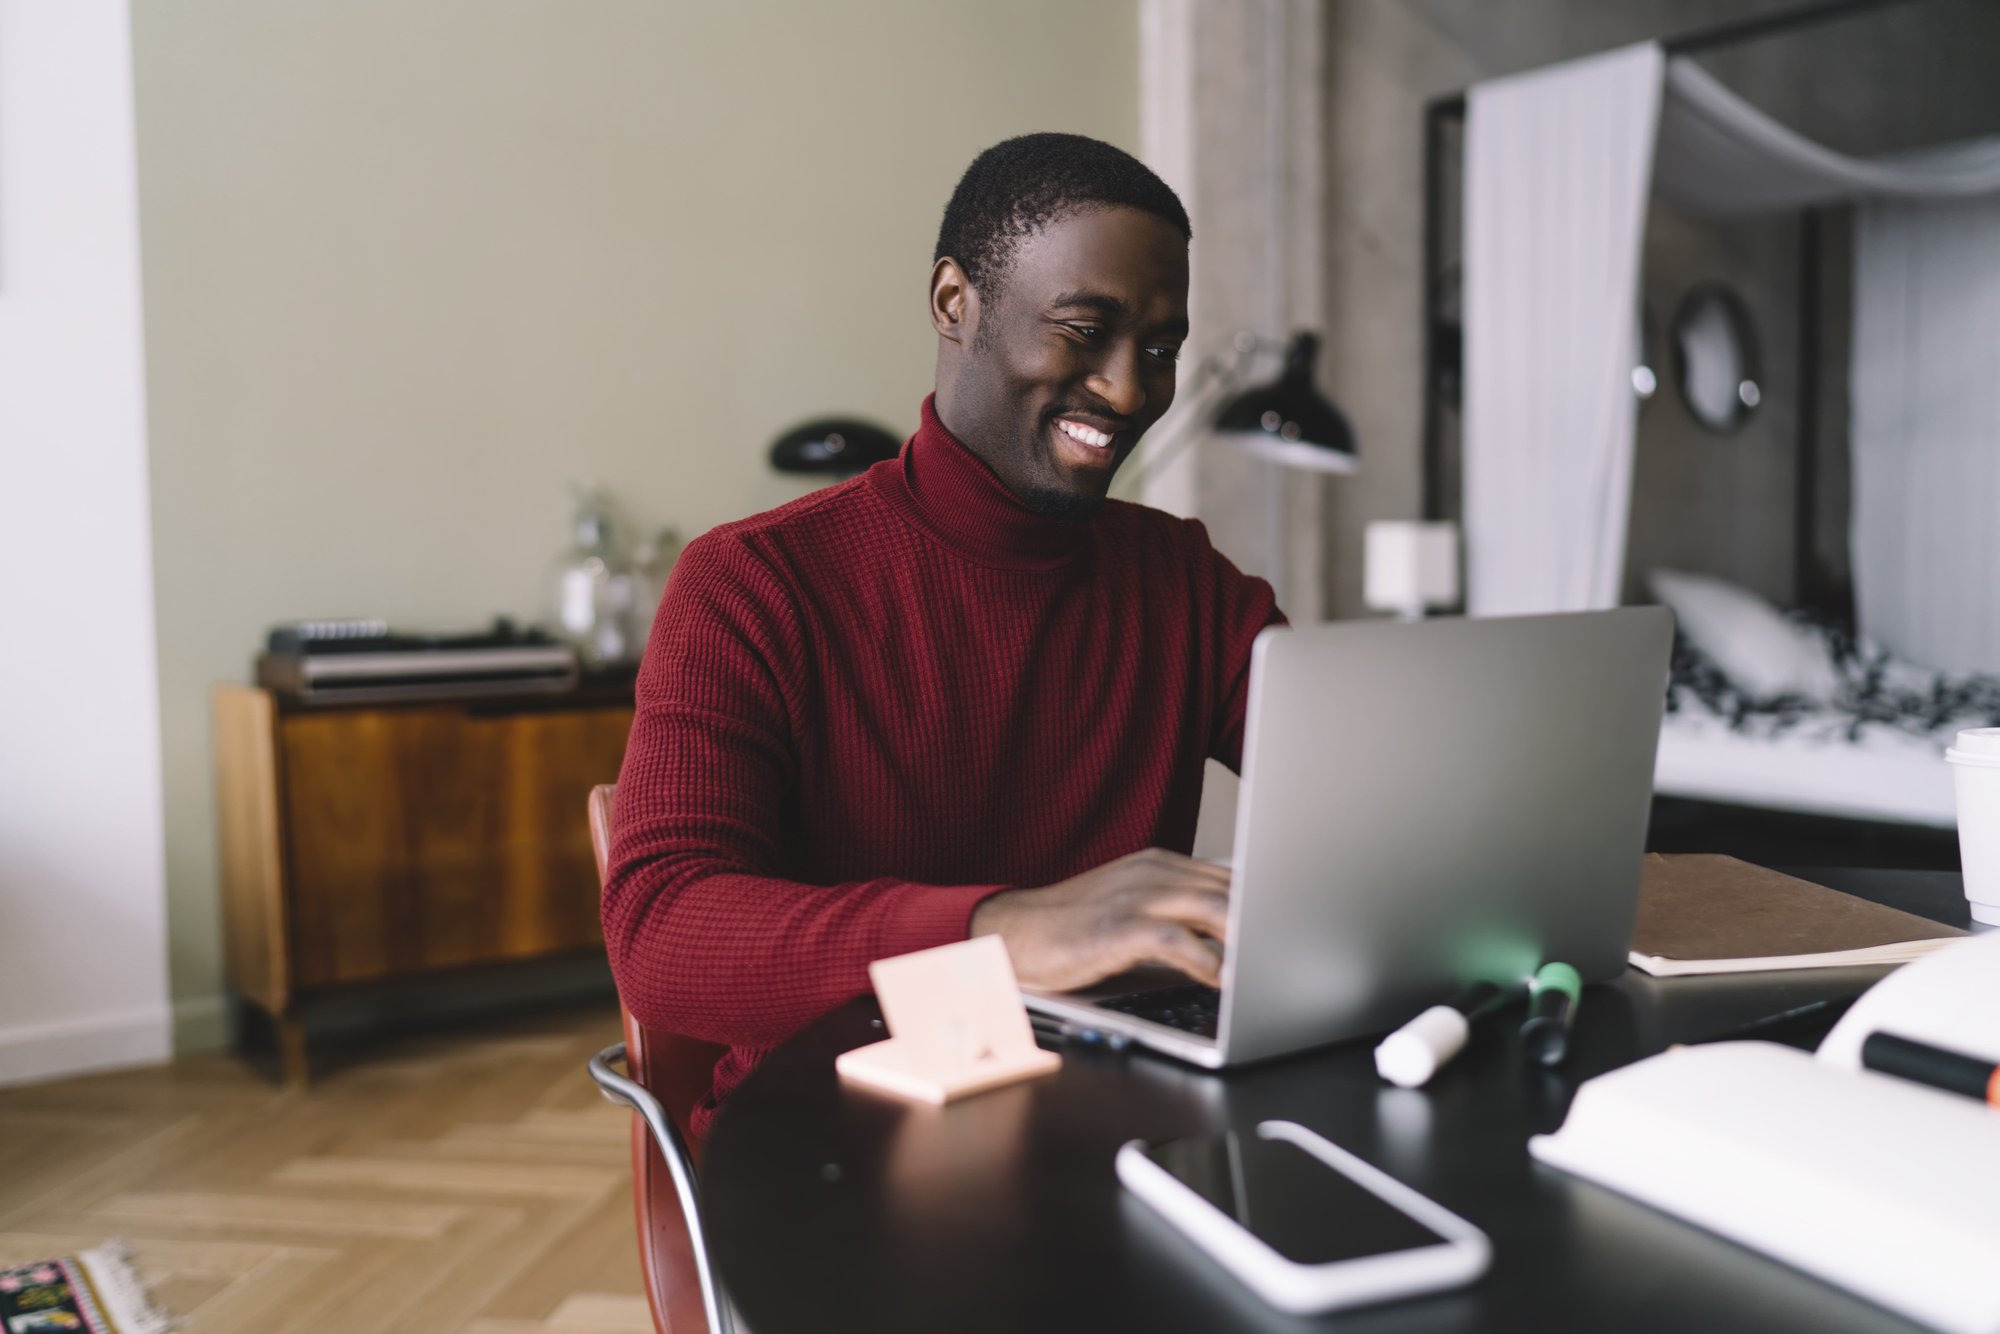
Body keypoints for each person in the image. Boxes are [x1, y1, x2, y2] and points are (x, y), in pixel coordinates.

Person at [605, 133, 1282, 1134]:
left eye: (1157, 349)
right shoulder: (749, 582)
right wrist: (999, 932)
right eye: (1081, 330)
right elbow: (663, 933)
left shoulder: (1182, 579)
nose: (1128, 390)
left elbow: (1353, 779)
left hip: (1104, 1124)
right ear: (954, 303)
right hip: (832, 1142)